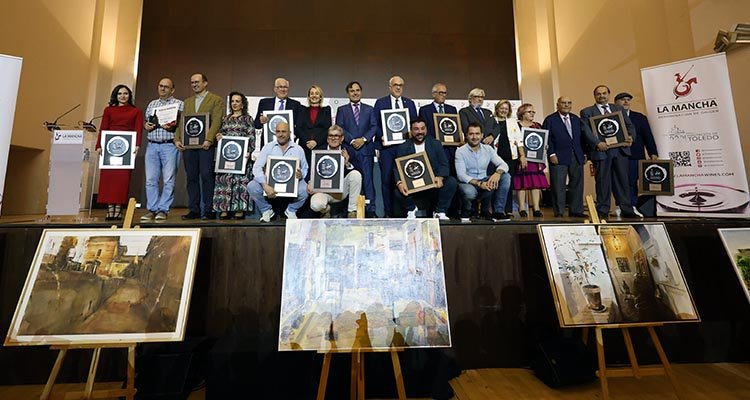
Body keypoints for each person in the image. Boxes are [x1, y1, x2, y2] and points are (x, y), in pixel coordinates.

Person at [580, 85, 640, 219]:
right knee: (602, 181)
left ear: (608, 94)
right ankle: (602, 209)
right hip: (601, 152)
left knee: (622, 181)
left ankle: (626, 209)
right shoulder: (587, 112)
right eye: (598, 94)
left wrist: (630, 137)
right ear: (594, 96)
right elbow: (586, 131)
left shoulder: (618, 108)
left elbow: (629, 125)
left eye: (604, 93)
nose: (602, 96)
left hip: (620, 151)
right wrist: (597, 143)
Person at [175, 73, 225, 220]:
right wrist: (177, 139)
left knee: (206, 177)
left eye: (197, 82)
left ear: (205, 83)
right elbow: (182, 122)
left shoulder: (216, 100)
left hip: (206, 146)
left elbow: (217, 121)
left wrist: (209, 139)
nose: (194, 85)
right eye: (192, 83)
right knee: (191, 178)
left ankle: (209, 209)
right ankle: (194, 210)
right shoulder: (188, 101)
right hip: (189, 147)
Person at [393, 118, 457, 220]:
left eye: (422, 128)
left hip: (433, 185)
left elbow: (444, 164)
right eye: (416, 129)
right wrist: (399, 183)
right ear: (411, 130)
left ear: (426, 129)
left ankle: (439, 211)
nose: (420, 132)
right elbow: (397, 168)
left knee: (451, 182)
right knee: (397, 190)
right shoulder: (403, 147)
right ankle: (411, 209)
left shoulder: (435, 144)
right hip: (413, 186)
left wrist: (440, 177)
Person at [95, 84, 143, 220]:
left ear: (130, 96)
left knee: (122, 179)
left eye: (126, 93)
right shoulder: (108, 110)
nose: (123, 96)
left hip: (127, 148)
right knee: (109, 179)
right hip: (110, 147)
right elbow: (103, 128)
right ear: (115, 96)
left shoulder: (136, 111)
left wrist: (137, 145)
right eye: (120, 93)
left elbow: (138, 129)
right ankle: (110, 209)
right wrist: (99, 145)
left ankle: (119, 209)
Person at [373, 76, 417, 217]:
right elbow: (376, 124)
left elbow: (415, 124)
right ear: (390, 87)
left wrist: (411, 132)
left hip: (405, 148)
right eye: (395, 85)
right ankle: (388, 213)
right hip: (387, 149)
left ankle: (406, 212)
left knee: (407, 180)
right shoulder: (380, 103)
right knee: (387, 180)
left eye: (401, 85)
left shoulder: (409, 103)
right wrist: (381, 137)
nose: (398, 87)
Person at [247, 121, 308, 222]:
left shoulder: (298, 149)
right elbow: (257, 167)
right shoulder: (268, 147)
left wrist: (301, 174)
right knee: (251, 186)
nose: (281, 134)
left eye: (284, 131)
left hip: (291, 185)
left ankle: (291, 210)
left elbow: (305, 168)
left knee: (305, 189)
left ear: (290, 133)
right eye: (278, 131)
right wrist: (265, 185)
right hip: (270, 185)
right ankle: (266, 210)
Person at [141, 77, 183, 222]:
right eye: (160, 86)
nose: (162, 88)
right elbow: (147, 123)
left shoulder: (179, 104)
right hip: (152, 144)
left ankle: (163, 209)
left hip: (169, 145)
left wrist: (173, 126)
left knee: (168, 179)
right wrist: (146, 126)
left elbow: (183, 125)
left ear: (172, 90)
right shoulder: (152, 104)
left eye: (166, 86)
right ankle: (152, 209)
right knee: (151, 179)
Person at [336, 81, 378, 217]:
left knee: (368, 181)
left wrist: (364, 139)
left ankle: (371, 210)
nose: (355, 93)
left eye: (357, 90)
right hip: (350, 151)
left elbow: (374, 127)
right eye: (352, 90)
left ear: (361, 92)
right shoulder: (342, 110)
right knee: (352, 181)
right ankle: (350, 210)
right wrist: (353, 140)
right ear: (348, 93)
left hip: (366, 150)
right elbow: (340, 127)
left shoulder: (369, 109)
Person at [455, 122, 511, 222]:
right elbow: (461, 175)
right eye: (471, 134)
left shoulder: (488, 149)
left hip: (485, 182)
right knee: (469, 192)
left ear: (482, 135)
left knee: (506, 176)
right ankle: (468, 211)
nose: (474, 137)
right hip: (469, 183)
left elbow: (504, 165)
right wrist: (479, 183)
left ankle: (498, 212)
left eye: (477, 134)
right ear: (466, 136)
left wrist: (497, 173)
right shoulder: (460, 151)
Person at [212, 91, 255, 220]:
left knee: (239, 183)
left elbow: (251, 137)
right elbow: (220, 136)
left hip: (242, 159)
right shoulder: (225, 119)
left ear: (242, 104)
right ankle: (224, 209)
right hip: (226, 157)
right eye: (232, 101)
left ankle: (239, 209)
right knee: (224, 181)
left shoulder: (248, 119)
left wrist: (249, 152)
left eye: (237, 101)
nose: (234, 104)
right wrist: (218, 137)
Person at [614, 92, 659, 214]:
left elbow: (648, 136)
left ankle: (632, 205)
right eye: (623, 100)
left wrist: (653, 153)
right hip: (618, 156)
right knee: (618, 182)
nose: (626, 102)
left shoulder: (639, 117)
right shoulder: (611, 118)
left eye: (628, 99)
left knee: (632, 182)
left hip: (635, 155)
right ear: (615, 102)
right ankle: (619, 206)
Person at [542, 96, 586, 218]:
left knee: (577, 184)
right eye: (563, 103)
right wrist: (551, 153)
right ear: (558, 104)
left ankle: (576, 210)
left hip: (576, 156)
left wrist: (584, 153)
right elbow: (547, 138)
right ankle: (559, 211)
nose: (566, 105)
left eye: (569, 103)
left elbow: (583, 138)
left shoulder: (576, 119)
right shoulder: (550, 119)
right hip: (558, 157)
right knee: (558, 185)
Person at [308, 125, 362, 218]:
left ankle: (352, 211)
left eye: (336, 136)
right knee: (316, 204)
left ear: (342, 138)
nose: (333, 138)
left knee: (355, 174)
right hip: (323, 191)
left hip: (340, 191)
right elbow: (310, 172)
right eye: (330, 136)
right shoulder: (318, 151)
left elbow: (359, 171)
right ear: (327, 138)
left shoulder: (348, 151)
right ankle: (326, 210)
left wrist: (347, 163)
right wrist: (309, 183)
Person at [514, 103, 549, 217]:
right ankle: (522, 208)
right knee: (522, 183)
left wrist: (544, 146)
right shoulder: (516, 126)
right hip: (521, 158)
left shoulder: (538, 126)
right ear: (522, 113)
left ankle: (536, 208)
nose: (532, 114)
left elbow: (542, 141)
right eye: (530, 112)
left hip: (535, 159)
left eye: (533, 112)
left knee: (535, 183)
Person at [491, 100, 520, 214]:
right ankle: (495, 209)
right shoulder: (491, 121)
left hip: (510, 157)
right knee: (495, 182)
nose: (503, 110)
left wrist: (522, 155)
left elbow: (519, 139)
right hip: (495, 156)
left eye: (506, 109)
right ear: (497, 109)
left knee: (508, 183)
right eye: (501, 108)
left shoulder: (513, 122)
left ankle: (507, 209)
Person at [253, 77, 302, 142]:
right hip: (268, 142)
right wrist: (260, 121)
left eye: (285, 87)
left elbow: (299, 126)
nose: (283, 89)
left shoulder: (296, 105)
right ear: (275, 89)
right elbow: (256, 125)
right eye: (280, 87)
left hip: (288, 142)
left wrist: (293, 135)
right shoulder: (264, 103)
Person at [298, 85, 332, 175]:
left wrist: (316, 142)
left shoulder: (326, 110)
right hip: (304, 148)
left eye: (317, 93)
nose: (314, 96)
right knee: (305, 174)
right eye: (312, 93)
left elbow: (327, 129)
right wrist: (307, 142)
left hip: (320, 147)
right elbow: (299, 128)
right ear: (309, 97)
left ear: (320, 96)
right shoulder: (302, 110)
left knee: (318, 174)